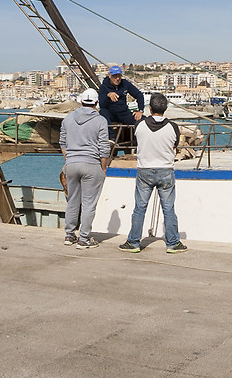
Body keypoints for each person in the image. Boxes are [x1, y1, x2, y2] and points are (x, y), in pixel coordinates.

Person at [119, 106, 187, 254]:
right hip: (165, 170)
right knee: (168, 209)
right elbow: (175, 144)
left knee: (139, 208)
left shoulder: (140, 125)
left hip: (145, 170)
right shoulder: (172, 127)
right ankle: (173, 243)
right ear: (165, 108)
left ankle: (134, 242)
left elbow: (137, 140)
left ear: (150, 108)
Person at [59, 88, 110, 249]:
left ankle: (69, 235)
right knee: (89, 204)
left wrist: (68, 159)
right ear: (96, 103)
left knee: (73, 200)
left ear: (81, 101)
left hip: (72, 164)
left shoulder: (68, 118)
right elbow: (104, 148)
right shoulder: (100, 120)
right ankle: (84, 238)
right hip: (91, 163)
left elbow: (62, 142)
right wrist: (103, 167)